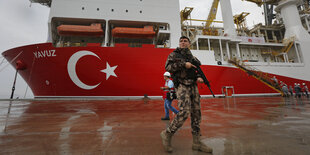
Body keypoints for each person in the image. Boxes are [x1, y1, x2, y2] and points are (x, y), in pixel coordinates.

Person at [160, 36, 213, 153]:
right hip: (182, 85)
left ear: (189, 43)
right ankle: (167, 134)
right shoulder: (174, 55)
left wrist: (199, 77)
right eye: (181, 41)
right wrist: (184, 64)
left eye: (185, 41)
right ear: (179, 43)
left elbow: (196, 70)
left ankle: (197, 142)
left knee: (196, 112)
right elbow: (168, 68)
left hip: (193, 86)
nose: (183, 43)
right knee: (184, 111)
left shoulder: (193, 57)